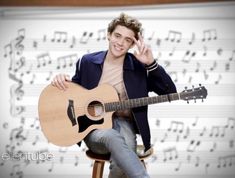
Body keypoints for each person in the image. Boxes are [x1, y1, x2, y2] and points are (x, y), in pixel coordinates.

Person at [51, 13, 176, 178]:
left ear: (132, 44)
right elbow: (73, 91)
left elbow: (170, 93)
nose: (121, 43)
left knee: (122, 160)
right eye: (117, 36)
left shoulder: (138, 66)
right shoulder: (87, 62)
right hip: (94, 129)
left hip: (125, 125)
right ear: (109, 35)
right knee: (112, 137)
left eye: (127, 40)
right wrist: (61, 80)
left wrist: (151, 64)